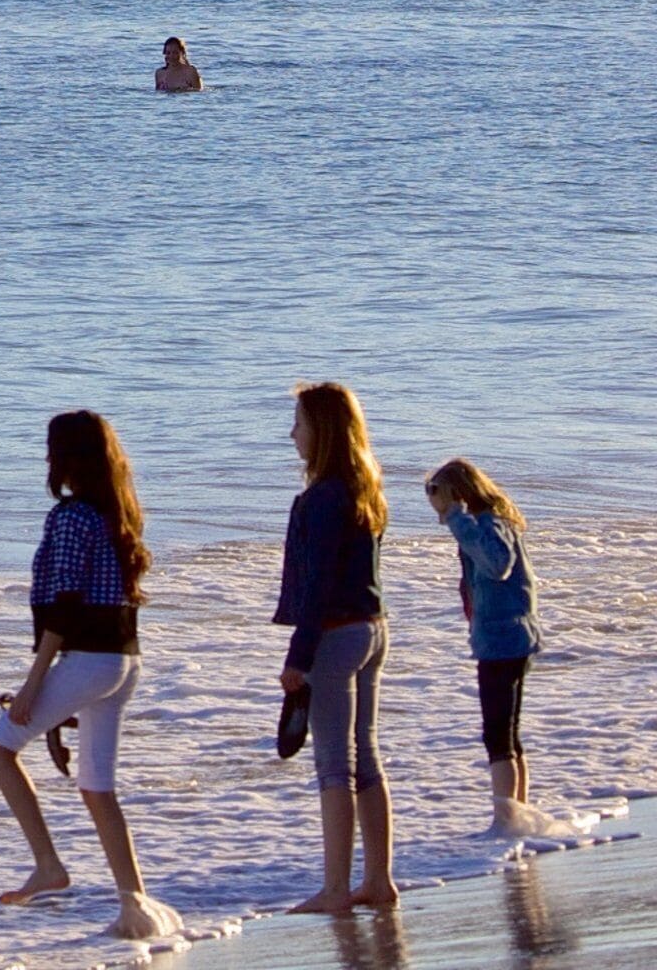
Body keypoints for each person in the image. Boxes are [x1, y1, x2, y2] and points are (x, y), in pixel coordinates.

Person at [0, 411, 177, 942]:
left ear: (65, 457)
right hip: (124, 661)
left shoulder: (70, 517)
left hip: (88, 660)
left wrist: (33, 685)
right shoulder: (118, 513)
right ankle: (133, 902)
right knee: (97, 787)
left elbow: (64, 608)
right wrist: (56, 697)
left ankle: (48, 864)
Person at [276, 381, 396, 913]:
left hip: (336, 635)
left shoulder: (324, 496)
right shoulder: (363, 487)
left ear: (320, 431)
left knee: (333, 766)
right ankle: (377, 880)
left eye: (298, 423)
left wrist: (298, 657)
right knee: (365, 758)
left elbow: (319, 584)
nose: (292, 433)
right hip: (373, 628)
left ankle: (334, 890)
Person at [426, 457, 544, 833]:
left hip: (504, 640)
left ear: (459, 498)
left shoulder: (489, 525)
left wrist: (461, 522)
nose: (441, 518)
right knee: (507, 733)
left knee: (497, 735)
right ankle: (517, 814)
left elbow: (498, 565)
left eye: (443, 506)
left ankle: (506, 819)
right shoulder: (487, 525)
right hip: (504, 637)